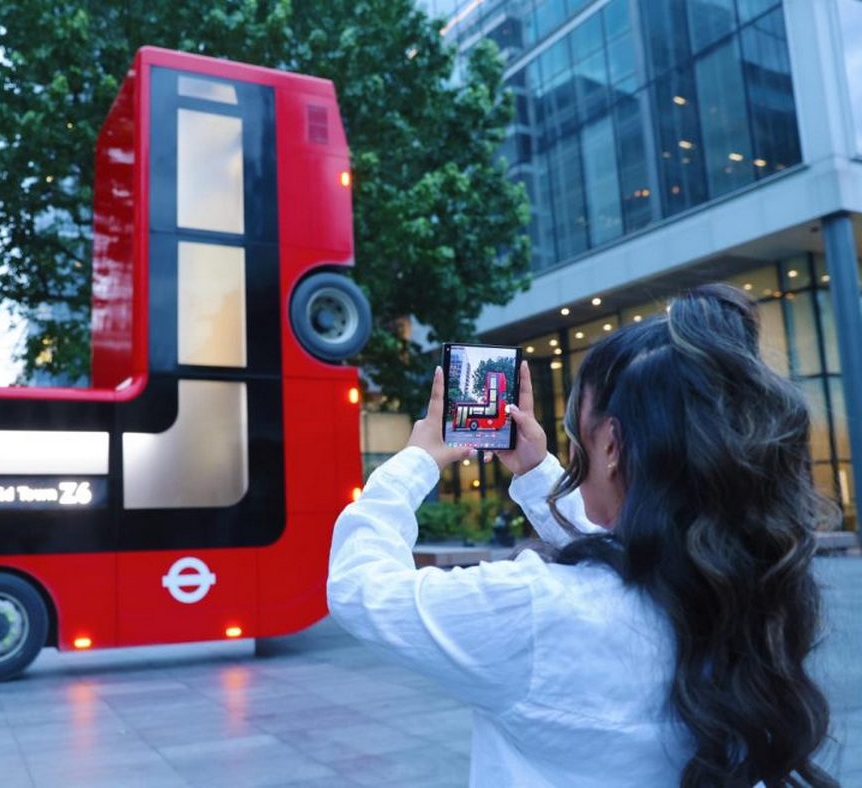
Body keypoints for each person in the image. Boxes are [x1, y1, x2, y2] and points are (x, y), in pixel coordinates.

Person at [327, 285, 837, 787]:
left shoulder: (532, 608)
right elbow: (623, 549)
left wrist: (415, 462)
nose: (572, 451)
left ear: (611, 444)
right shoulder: (741, 587)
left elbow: (360, 589)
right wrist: (534, 475)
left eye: (578, 431)